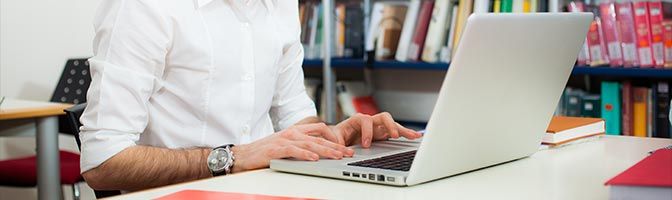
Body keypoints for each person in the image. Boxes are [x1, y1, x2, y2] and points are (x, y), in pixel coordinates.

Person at [79, 0, 421, 191]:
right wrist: (234, 158)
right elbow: (103, 162)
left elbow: (295, 113)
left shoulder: (281, 6)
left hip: (267, 190)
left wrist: (331, 136)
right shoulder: (143, 7)